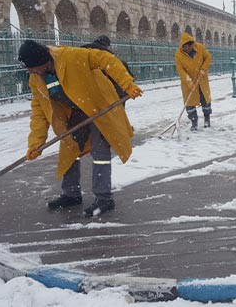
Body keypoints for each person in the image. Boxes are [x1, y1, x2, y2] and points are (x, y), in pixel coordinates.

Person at [18, 39, 143, 217]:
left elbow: (106, 59)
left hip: (98, 106)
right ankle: (71, 194)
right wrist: (35, 143)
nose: (30, 72)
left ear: (44, 61)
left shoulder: (71, 56)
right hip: (75, 112)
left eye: (32, 67)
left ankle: (104, 198)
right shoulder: (36, 79)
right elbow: (39, 112)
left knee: (100, 153)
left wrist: (127, 84)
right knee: (70, 149)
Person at [174, 32, 213, 131]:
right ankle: (194, 122)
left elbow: (208, 58)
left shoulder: (200, 48)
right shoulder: (178, 55)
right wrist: (188, 81)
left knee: (205, 100)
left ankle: (207, 119)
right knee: (190, 104)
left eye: (187, 46)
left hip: (201, 80)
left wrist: (203, 69)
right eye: (183, 47)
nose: (185, 49)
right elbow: (180, 70)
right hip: (188, 82)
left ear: (192, 45)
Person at [81, 35, 135, 101]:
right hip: (103, 96)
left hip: (80, 93)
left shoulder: (81, 53)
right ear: (107, 46)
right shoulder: (108, 59)